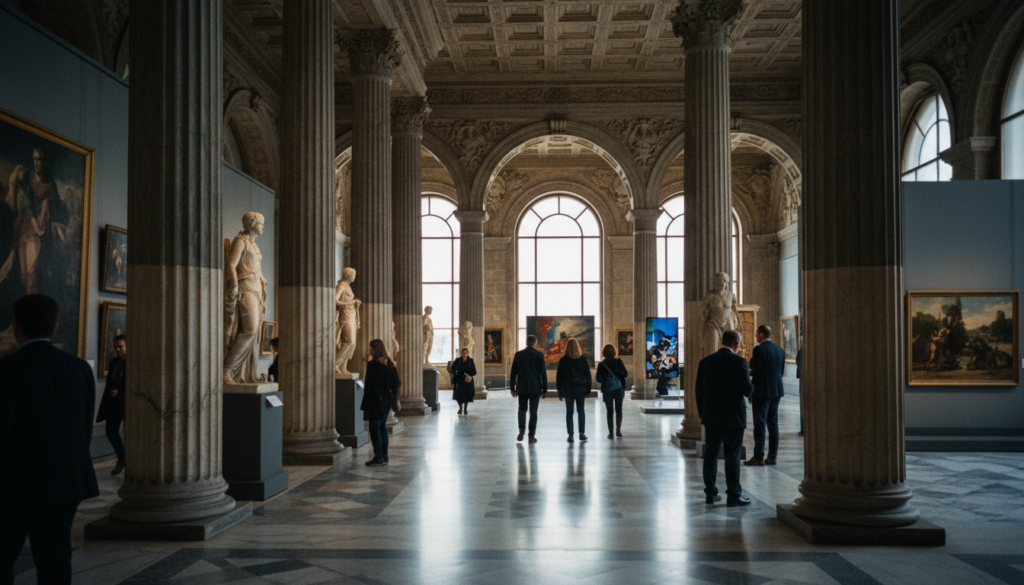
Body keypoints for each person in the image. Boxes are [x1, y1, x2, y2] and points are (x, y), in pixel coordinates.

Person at [0, 295, 99, 584]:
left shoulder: (8, 370)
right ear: (55, 325)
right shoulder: (79, 369)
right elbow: (83, 428)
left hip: (16, 484)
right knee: (56, 560)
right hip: (65, 482)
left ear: (16, 325)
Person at [695, 329, 754, 506]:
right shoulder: (739, 362)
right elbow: (747, 390)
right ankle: (734, 495)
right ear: (736, 344)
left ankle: (711, 493)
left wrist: (702, 415)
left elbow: (699, 391)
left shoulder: (706, 362)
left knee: (711, 455)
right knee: (732, 455)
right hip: (733, 417)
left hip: (712, 416)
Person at [746, 325, 786, 466]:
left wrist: (751, 389)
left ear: (762, 334)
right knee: (773, 423)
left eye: (757, 334)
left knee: (760, 424)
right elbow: (780, 371)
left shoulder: (759, 349)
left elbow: (754, 369)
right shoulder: (779, 349)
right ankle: (772, 456)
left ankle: (758, 457)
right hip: (776, 390)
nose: (756, 337)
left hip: (762, 391)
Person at [360, 339, 401, 466]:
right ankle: (384, 455)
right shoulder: (389, 363)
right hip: (387, 400)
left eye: (371, 348)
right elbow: (397, 383)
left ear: (376, 349)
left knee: (374, 427)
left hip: (375, 400)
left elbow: (370, 385)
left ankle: (378, 457)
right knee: (382, 426)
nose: (370, 350)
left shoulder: (373, 364)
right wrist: (393, 399)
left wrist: (368, 363)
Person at [96, 334, 127, 475]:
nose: (117, 349)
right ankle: (122, 458)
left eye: (120, 346)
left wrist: (120, 391)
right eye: (115, 347)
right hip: (114, 403)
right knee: (110, 431)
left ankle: (129, 461)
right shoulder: (114, 362)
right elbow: (111, 381)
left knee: (131, 434)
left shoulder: (134, 362)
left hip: (127, 402)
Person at [509, 334, 547, 443]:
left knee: (522, 410)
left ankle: (521, 430)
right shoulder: (539, 355)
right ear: (535, 343)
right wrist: (544, 389)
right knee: (533, 413)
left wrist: (512, 387)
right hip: (535, 388)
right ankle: (531, 436)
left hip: (522, 387)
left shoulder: (518, 355)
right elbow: (542, 374)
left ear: (526, 343)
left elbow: (513, 373)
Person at [556, 338, 591, 443]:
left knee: (569, 412)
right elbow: (588, 375)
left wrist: (560, 392)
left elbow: (559, 377)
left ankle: (570, 435)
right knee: (581, 411)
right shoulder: (582, 359)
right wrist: (588, 389)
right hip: (580, 388)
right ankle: (582, 433)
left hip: (568, 389)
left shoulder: (563, 360)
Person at [596, 344, 628, 439]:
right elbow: (625, 374)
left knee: (609, 411)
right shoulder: (618, 361)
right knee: (619, 410)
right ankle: (618, 430)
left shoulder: (601, 364)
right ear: (614, 352)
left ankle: (611, 433)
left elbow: (598, 378)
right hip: (619, 389)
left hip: (607, 390)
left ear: (604, 352)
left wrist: (606, 380)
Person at [449, 348, 476, 415]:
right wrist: (456, 374)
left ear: (468, 353)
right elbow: (453, 369)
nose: (464, 354)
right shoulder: (458, 360)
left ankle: (465, 409)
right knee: (459, 395)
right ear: (461, 353)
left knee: (467, 395)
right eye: (463, 353)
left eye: (466, 353)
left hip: (467, 380)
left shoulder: (470, 360)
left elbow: (474, 371)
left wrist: (469, 376)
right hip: (459, 380)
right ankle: (460, 408)